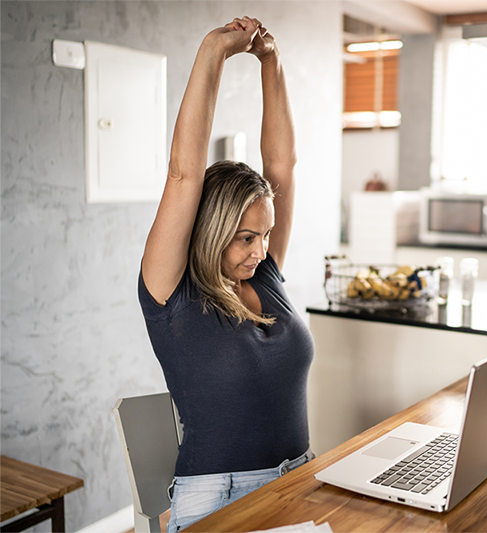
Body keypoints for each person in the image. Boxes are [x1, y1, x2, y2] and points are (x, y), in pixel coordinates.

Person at [138, 16, 314, 532]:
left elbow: (281, 167)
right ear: (213, 227)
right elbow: (184, 173)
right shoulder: (172, 291)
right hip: (219, 496)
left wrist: (271, 61)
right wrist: (214, 50)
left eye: (266, 234)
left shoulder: (264, 276)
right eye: (245, 237)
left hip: (299, 477)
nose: (261, 251)